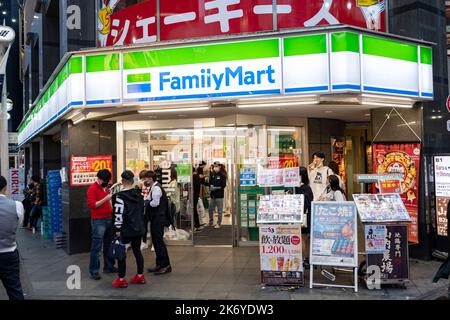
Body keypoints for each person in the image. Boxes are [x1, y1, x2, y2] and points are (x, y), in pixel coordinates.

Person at [112, 171, 146, 288]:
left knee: (122, 253)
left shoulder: (119, 197)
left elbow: (118, 214)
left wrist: (117, 229)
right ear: (132, 181)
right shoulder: (140, 195)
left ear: (122, 182)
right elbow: (142, 212)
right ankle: (140, 276)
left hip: (125, 229)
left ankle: (121, 279)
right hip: (138, 228)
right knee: (137, 251)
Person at [87, 169, 116, 280]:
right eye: (105, 181)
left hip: (109, 218)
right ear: (99, 179)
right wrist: (106, 199)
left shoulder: (106, 188)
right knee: (97, 247)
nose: (107, 182)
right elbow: (93, 205)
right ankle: (94, 270)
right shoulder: (92, 189)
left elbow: (109, 203)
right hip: (98, 220)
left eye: (108, 181)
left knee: (109, 244)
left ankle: (109, 266)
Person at [0, 176, 25, 300]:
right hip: (9, 253)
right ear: (5, 187)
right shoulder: (17, 205)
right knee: (14, 290)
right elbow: (18, 225)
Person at [144, 171, 172, 275]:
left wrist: (147, 203)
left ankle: (165, 265)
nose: (144, 181)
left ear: (150, 179)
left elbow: (155, 203)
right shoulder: (154, 187)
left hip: (158, 218)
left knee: (159, 242)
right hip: (156, 218)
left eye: (145, 179)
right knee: (156, 241)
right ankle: (160, 264)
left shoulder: (156, 188)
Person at [295, 167, 314, 263]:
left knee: (301, 240)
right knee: (303, 240)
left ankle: (301, 260)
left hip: (301, 218)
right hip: (305, 218)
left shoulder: (298, 188)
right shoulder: (307, 188)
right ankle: (303, 258)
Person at [207, 161, 227, 229]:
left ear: (219, 166)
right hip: (213, 195)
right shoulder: (212, 174)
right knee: (210, 209)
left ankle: (219, 223)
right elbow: (209, 183)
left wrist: (216, 188)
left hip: (219, 195)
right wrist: (210, 187)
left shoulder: (222, 175)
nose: (215, 167)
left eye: (216, 166)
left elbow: (223, 185)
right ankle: (211, 221)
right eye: (214, 166)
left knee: (219, 210)